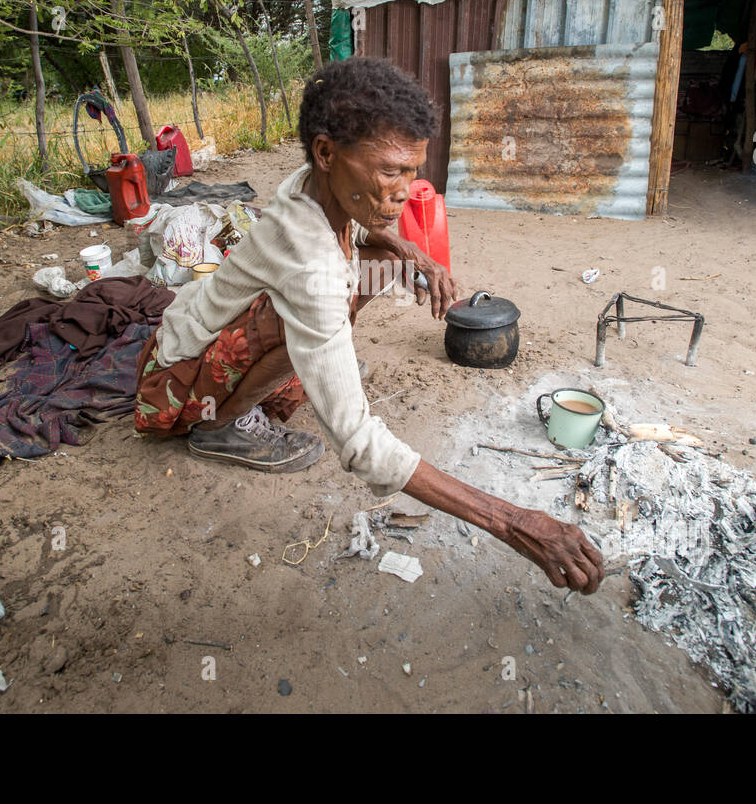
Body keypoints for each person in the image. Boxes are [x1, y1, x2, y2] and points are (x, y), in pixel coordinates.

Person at [135, 57, 603, 595]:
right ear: (327, 152)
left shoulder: (309, 183)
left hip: (210, 327)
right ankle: (218, 429)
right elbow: (359, 444)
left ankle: (313, 360)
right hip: (175, 381)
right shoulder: (311, 267)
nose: (405, 191)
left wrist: (411, 253)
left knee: (382, 268)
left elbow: (356, 234)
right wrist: (512, 521)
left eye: (413, 171)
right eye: (389, 171)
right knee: (317, 314)